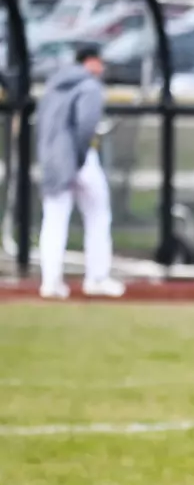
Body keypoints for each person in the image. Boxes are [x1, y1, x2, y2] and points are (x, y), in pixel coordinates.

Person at [36, 44, 123, 299]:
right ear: (90, 61)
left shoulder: (53, 86)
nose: (102, 67)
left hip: (51, 157)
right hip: (80, 158)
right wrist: (80, 157)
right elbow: (86, 124)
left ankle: (50, 282)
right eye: (99, 61)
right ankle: (96, 278)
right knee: (98, 214)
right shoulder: (90, 86)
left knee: (53, 219)